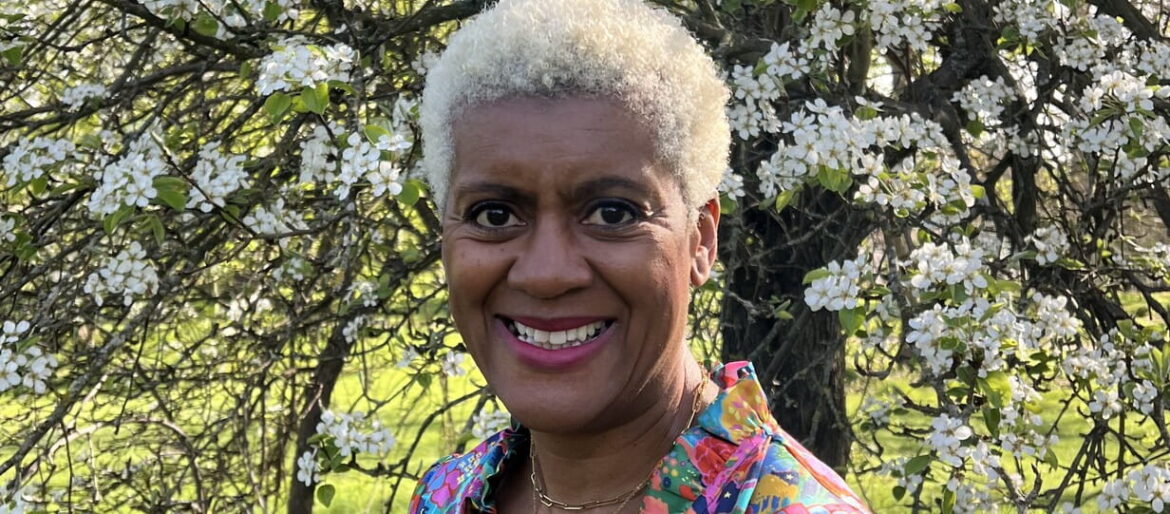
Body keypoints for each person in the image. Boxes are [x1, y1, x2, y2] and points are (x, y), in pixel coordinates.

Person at [408, 0, 870, 512]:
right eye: (494, 216)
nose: (546, 274)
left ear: (700, 240)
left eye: (612, 213)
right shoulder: (449, 495)